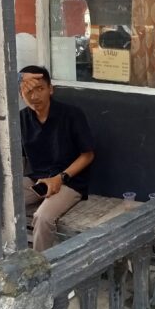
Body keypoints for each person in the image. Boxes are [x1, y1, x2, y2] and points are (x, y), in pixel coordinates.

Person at [19, 65, 94, 252]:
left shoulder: (71, 115)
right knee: (1, 203)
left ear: (50, 89)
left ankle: (40, 265)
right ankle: (10, 257)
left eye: (40, 89)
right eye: (29, 91)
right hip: (37, 180)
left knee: (43, 218)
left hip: (69, 182)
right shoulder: (21, 118)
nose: (35, 96)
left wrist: (60, 178)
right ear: (21, 94)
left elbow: (88, 155)